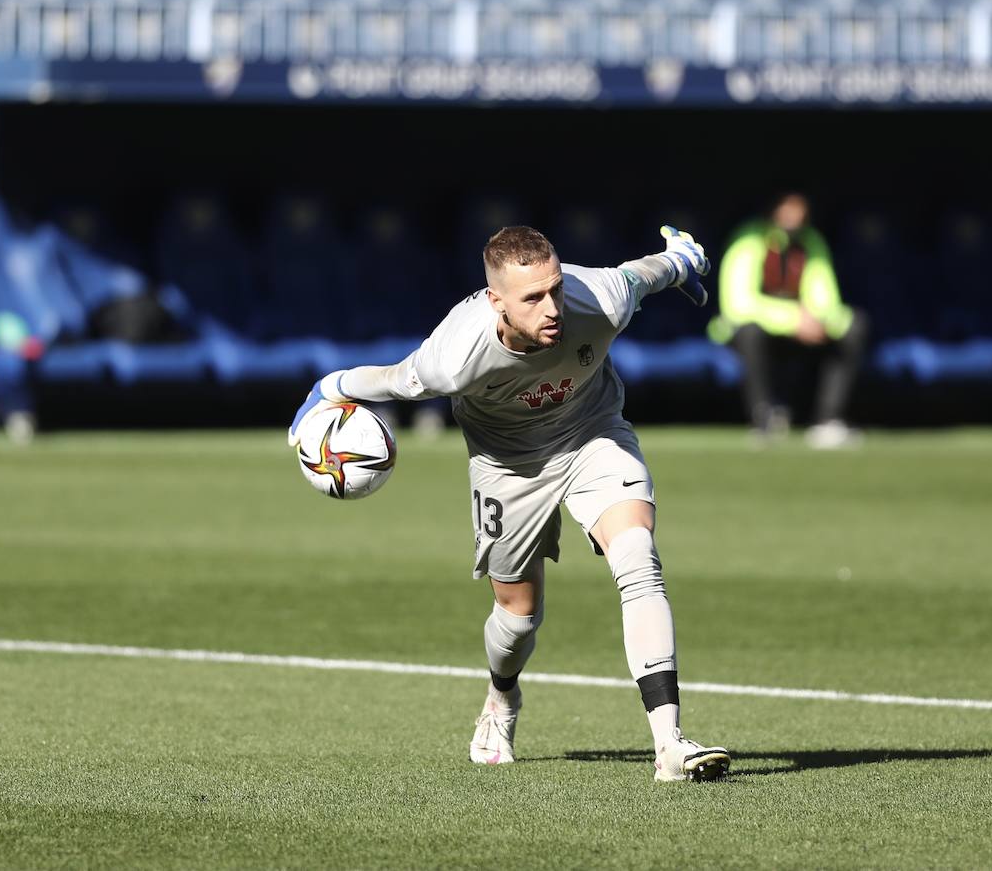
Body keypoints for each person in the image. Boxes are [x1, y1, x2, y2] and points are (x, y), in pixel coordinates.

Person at [286, 224, 731, 782]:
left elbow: (645, 273)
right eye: (533, 298)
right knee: (518, 616)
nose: (553, 308)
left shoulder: (598, 298)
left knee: (638, 556)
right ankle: (501, 699)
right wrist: (321, 395)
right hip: (507, 466)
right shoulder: (453, 358)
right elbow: (391, 380)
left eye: (556, 289)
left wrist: (681, 260)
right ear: (496, 301)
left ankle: (669, 743)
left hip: (592, 435)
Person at [707, 193, 869, 448]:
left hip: (804, 333)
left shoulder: (810, 241)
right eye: (787, 208)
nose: (793, 216)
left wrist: (821, 319)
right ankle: (764, 418)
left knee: (854, 326)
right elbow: (738, 304)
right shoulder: (748, 239)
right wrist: (792, 320)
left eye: (799, 209)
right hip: (756, 333)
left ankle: (828, 421)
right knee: (750, 332)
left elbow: (824, 293)